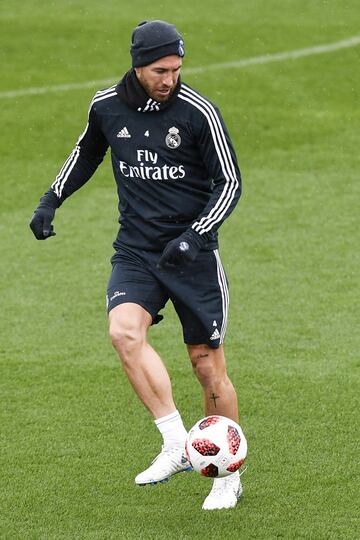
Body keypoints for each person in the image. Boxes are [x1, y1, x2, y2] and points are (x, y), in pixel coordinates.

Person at [30, 20, 243, 510]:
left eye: (176, 68)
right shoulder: (106, 106)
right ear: (138, 65)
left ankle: (226, 476)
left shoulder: (198, 113)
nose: (170, 78)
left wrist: (194, 237)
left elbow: (228, 183)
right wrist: (52, 198)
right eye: (160, 70)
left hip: (192, 255)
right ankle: (174, 441)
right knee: (124, 332)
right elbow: (87, 151)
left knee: (207, 368)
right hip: (138, 250)